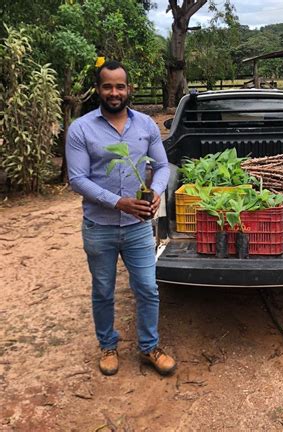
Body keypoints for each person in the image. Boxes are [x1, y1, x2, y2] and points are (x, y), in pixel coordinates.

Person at [66, 60, 176, 377]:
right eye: (107, 86)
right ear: (98, 89)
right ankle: (108, 346)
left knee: (147, 288)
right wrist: (119, 203)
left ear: (129, 89)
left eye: (120, 86)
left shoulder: (145, 126)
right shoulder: (81, 128)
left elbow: (163, 166)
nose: (114, 92)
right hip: (99, 227)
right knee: (103, 290)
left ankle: (149, 347)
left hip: (138, 227)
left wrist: (155, 191)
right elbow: (78, 179)